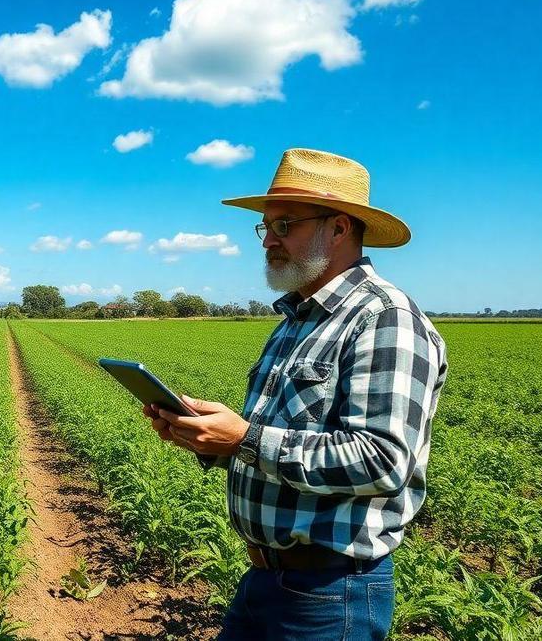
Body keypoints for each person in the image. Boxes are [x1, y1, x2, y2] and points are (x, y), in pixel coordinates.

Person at [143, 148, 448, 640]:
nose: (269, 241)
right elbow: (281, 442)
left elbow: (383, 460)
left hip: (331, 594)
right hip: (267, 580)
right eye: (266, 227)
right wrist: (208, 440)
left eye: (286, 225)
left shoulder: (384, 319)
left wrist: (244, 439)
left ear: (340, 228)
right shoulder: (296, 321)